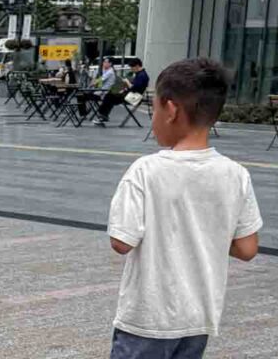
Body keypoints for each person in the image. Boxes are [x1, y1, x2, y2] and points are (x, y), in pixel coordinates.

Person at [107, 58, 261, 359]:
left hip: (147, 321)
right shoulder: (236, 174)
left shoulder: (145, 171)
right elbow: (247, 248)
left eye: (153, 109)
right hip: (197, 319)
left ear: (171, 109)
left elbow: (121, 241)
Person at [96, 58, 149, 125]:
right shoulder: (139, 74)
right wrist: (124, 88)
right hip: (132, 95)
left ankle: (102, 114)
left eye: (132, 67)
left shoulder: (142, 75)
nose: (131, 69)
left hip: (134, 98)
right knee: (111, 95)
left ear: (137, 66)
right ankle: (103, 115)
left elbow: (134, 88)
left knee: (110, 96)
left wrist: (127, 82)